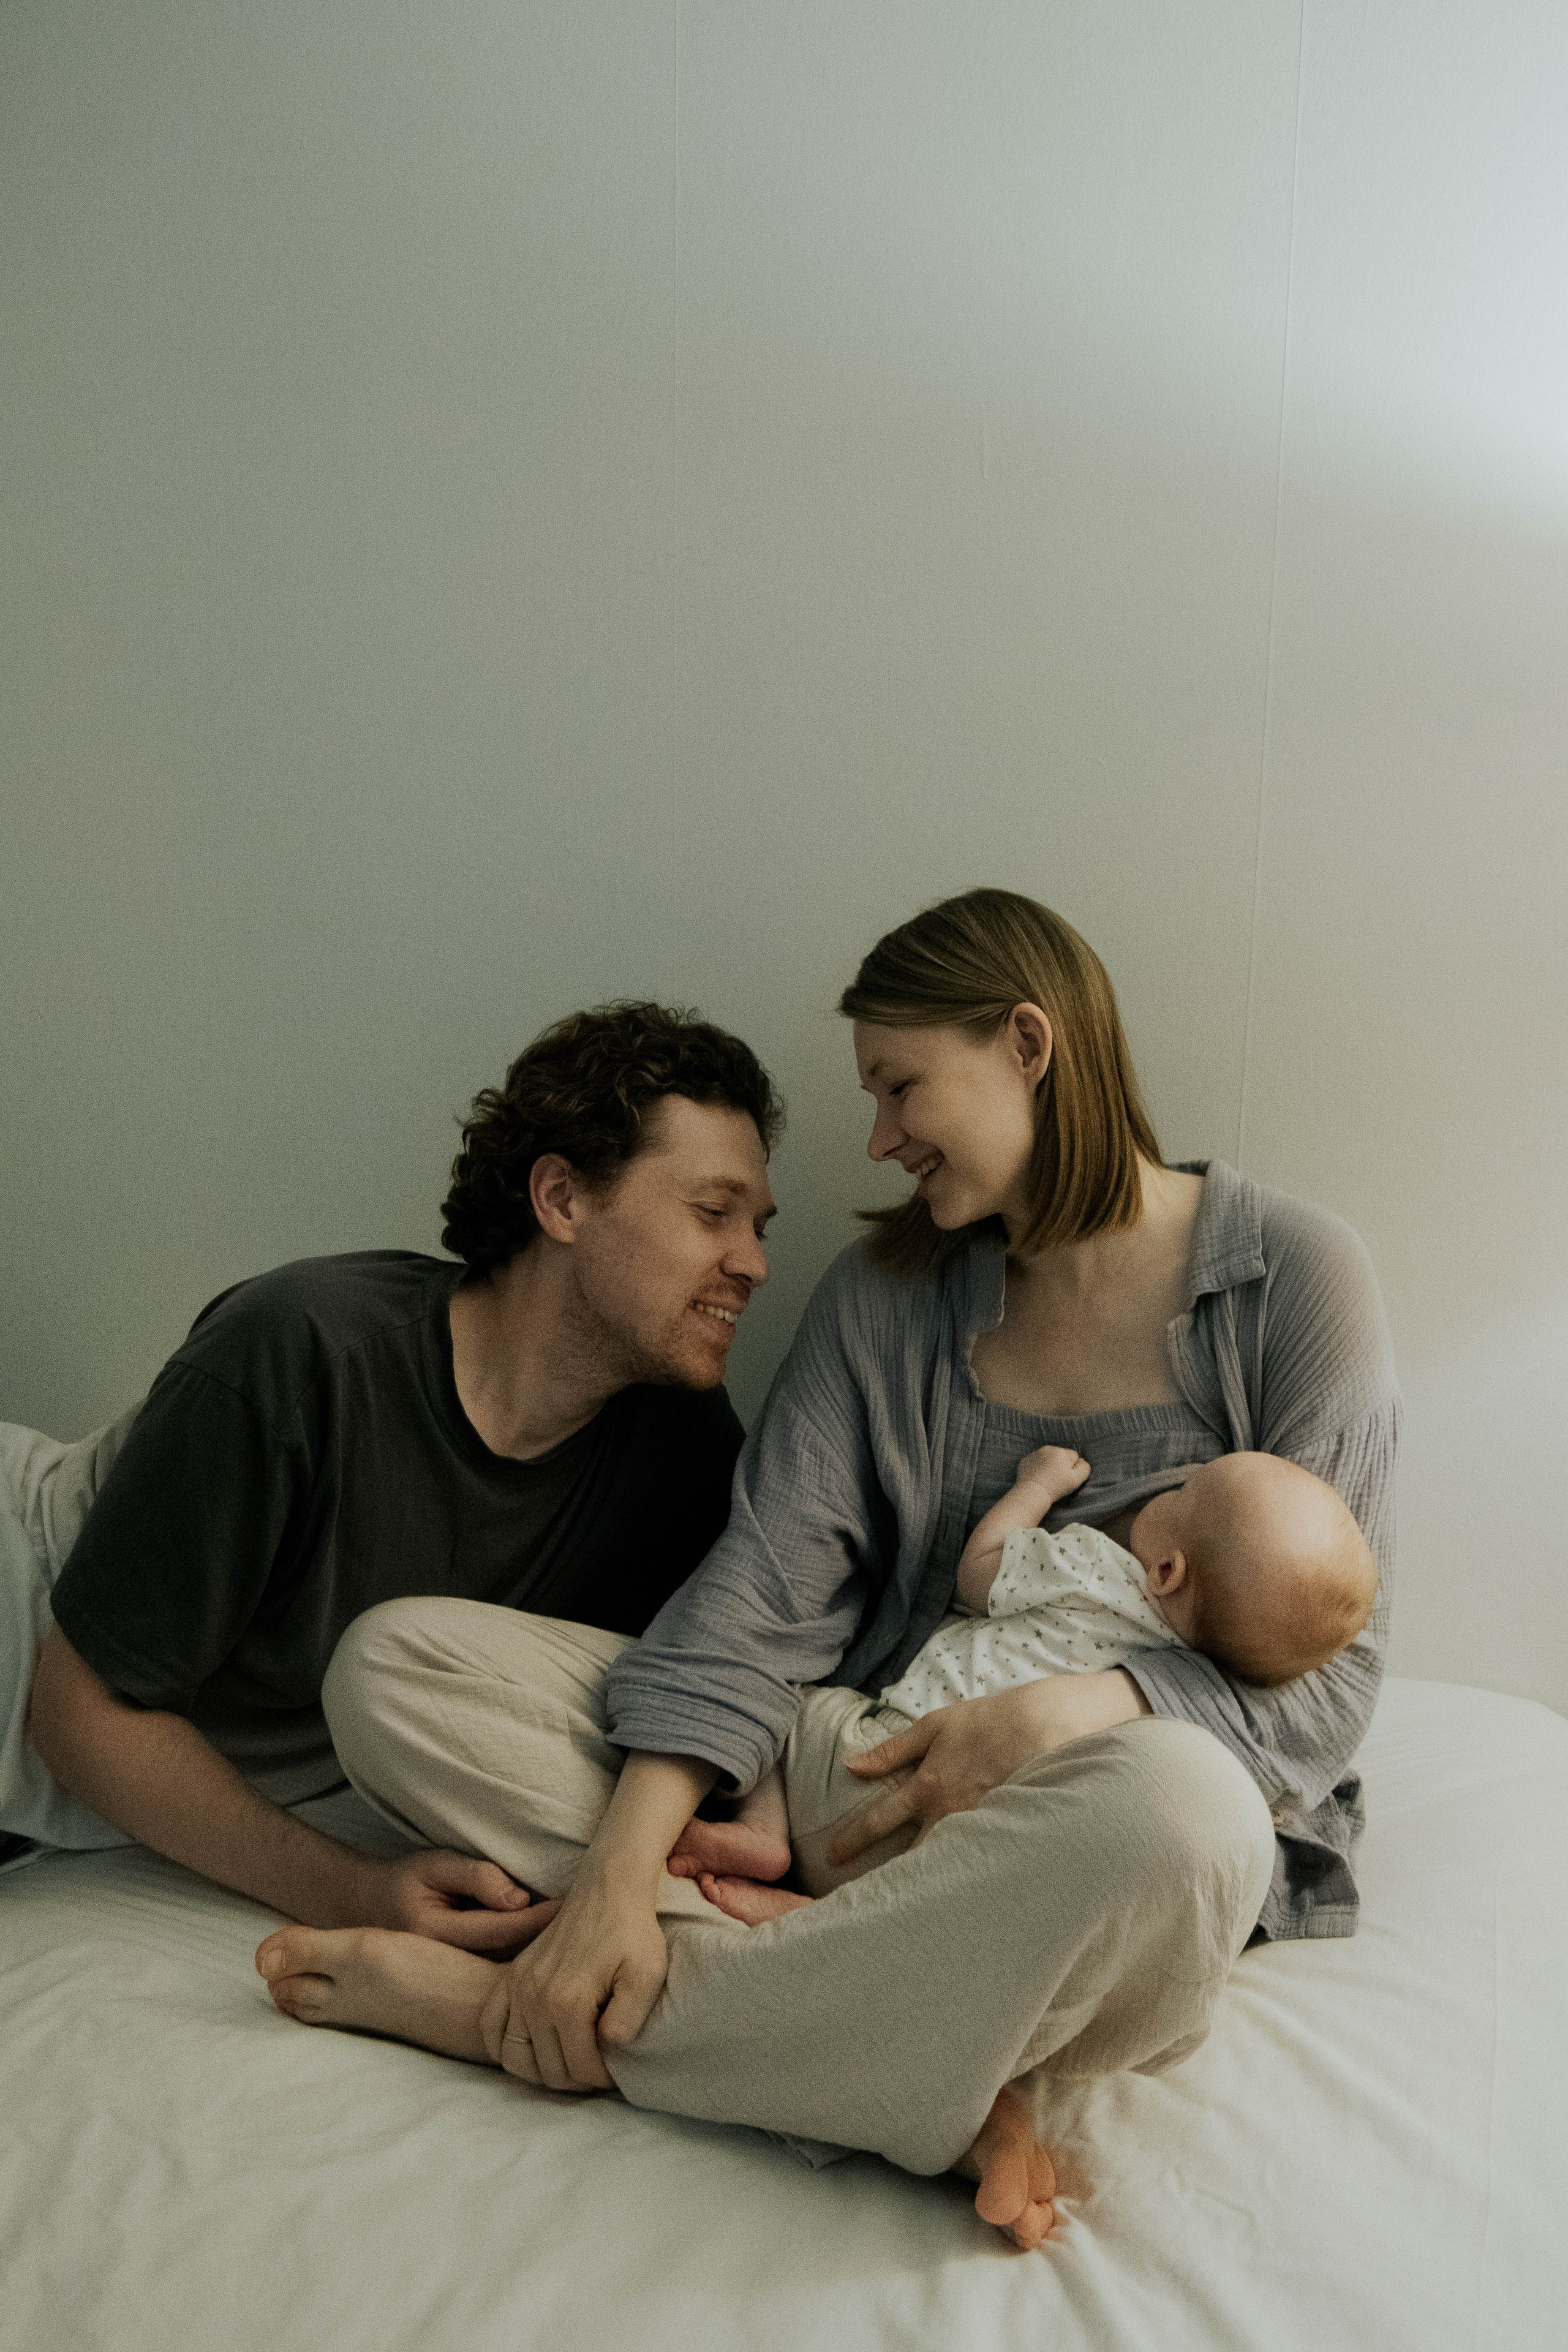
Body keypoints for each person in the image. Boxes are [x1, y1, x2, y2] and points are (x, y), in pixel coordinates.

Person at [254, 888, 1400, 2255]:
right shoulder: (883, 1300)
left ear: (1027, 1045)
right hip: (840, 1779)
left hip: (1079, 1836)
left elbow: (1331, 1689)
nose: (880, 1136)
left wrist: (1068, 1713)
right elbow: (764, 1583)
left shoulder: (1290, 1281)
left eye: (901, 1084)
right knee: (395, 1669)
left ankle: (537, 2022)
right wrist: (622, 1866)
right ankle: (895, 2054)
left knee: (1190, 1822)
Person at [6, 1002, 780, 1946]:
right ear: (564, 1200)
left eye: (758, 1226)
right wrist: (353, 1894)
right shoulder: (303, 1350)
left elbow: (732, 1675)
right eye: (713, 1213)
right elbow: (77, 1710)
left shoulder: (679, 1446)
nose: (754, 1263)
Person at [667, 1441, 1379, 1921]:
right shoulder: (1184, 1719)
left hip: (871, 1764)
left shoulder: (1094, 1570)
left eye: (1184, 1493)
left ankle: (765, 1832)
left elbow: (981, 1572)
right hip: (956, 1863)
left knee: (800, 1696)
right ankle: (820, 1921)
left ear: (1166, 1572)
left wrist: (1034, 1488)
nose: (1166, 1488)